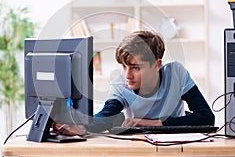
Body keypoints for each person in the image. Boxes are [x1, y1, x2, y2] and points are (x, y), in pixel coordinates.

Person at [54, 30, 215, 135]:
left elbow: (207, 117)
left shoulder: (175, 73)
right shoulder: (120, 85)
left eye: (135, 68)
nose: (127, 75)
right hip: (141, 149)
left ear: (157, 64)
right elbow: (105, 116)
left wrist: (155, 123)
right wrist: (81, 127)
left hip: (178, 148)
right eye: (124, 67)